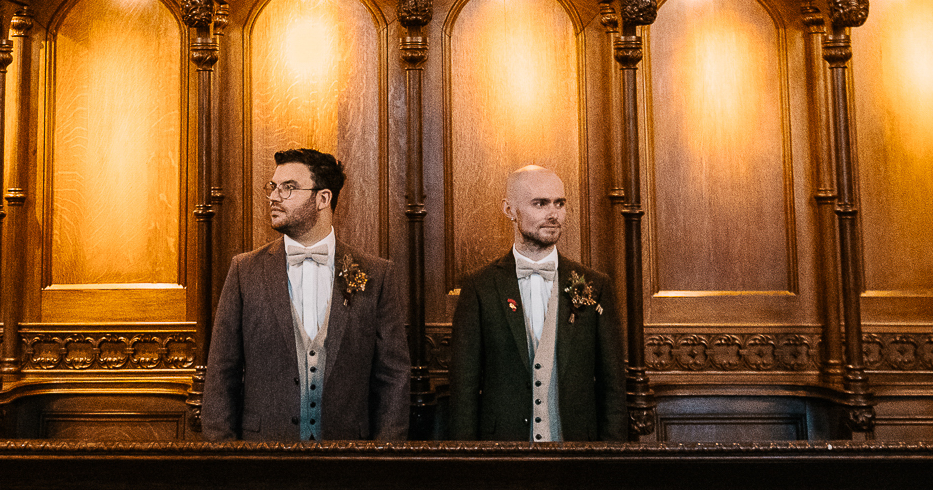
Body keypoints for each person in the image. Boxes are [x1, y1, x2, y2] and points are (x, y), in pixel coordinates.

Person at [201, 147, 410, 442]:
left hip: (349, 460)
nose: (274, 197)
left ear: (323, 198)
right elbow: (222, 372)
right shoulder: (244, 271)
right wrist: (224, 460)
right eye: (273, 187)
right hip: (263, 458)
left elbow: (393, 377)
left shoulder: (376, 274)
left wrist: (383, 459)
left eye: (289, 188)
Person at [448, 164, 627, 442]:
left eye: (560, 203)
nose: (553, 214)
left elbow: (612, 385)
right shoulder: (479, 287)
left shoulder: (595, 286)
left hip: (578, 449)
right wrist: (469, 462)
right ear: (509, 210)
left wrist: (610, 459)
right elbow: (464, 387)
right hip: (502, 451)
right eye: (540, 203)